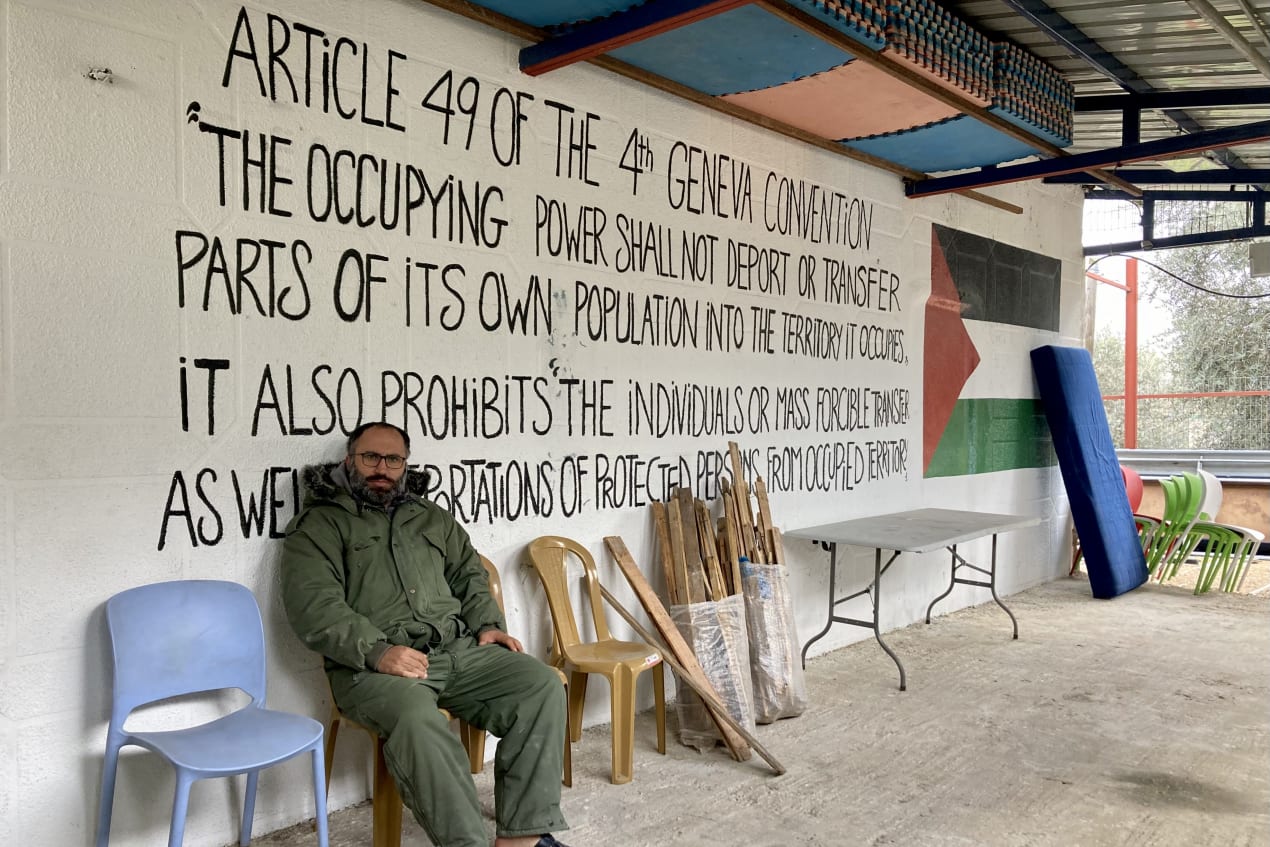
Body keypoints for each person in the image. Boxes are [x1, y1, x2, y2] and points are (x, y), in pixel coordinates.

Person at [280, 422, 570, 847]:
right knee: (417, 720)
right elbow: (313, 605)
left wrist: (487, 625)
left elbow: (469, 574)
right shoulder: (319, 524)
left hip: (456, 651)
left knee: (540, 685)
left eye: (393, 459)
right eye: (370, 457)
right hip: (372, 668)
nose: (382, 468)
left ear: (405, 464)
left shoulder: (430, 516)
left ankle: (522, 839)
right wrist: (378, 651)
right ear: (349, 460)